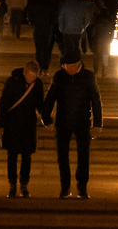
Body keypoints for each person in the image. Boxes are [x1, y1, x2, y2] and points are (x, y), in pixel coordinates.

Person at [41, 55, 102, 198]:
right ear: (63, 66)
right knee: (62, 156)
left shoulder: (88, 76)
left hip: (82, 121)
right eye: (67, 67)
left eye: (73, 66)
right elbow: (50, 98)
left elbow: (96, 100)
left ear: (79, 64)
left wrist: (97, 123)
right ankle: (65, 186)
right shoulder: (59, 76)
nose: (70, 69)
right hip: (63, 121)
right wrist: (46, 119)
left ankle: (82, 187)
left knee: (83, 155)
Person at [0, 60, 45, 197]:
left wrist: (47, 117)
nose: (31, 79)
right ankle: (12, 184)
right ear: (24, 73)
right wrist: (1, 124)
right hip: (13, 123)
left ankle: (24, 185)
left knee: (27, 156)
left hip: (29, 125)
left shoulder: (38, 84)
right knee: (12, 155)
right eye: (30, 76)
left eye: (34, 76)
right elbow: (4, 103)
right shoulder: (12, 82)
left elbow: (40, 104)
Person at [26, 0, 58, 72]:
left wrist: (32, 22)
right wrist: (51, 24)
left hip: (38, 28)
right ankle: (45, 67)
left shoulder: (35, 4)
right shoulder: (50, 4)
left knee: (39, 49)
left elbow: (30, 15)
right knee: (46, 49)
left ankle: (40, 67)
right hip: (47, 29)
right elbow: (54, 16)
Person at [55, 0, 89, 64]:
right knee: (76, 47)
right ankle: (78, 63)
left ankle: (69, 63)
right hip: (77, 31)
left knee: (68, 48)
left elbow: (61, 17)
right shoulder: (81, 6)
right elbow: (87, 19)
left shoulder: (65, 5)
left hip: (67, 31)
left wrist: (61, 28)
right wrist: (83, 28)